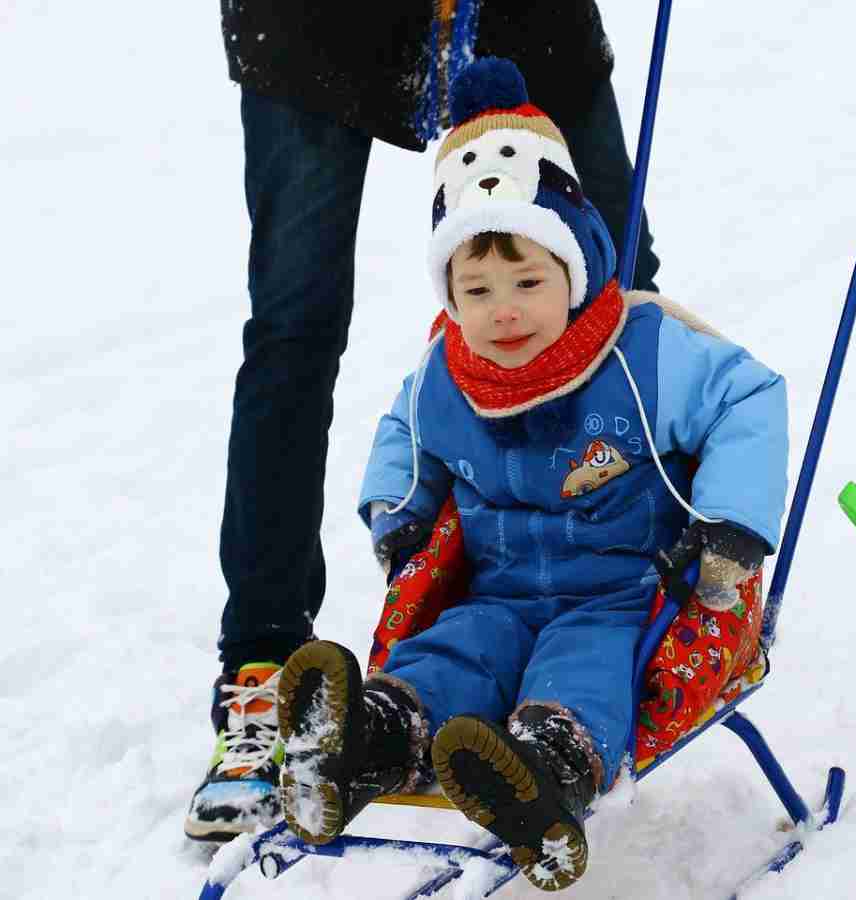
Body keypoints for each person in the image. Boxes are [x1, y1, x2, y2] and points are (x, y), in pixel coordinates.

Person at [274, 58, 788, 891]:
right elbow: (404, 431)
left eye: (527, 280)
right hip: (498, 593)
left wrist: (729, 523)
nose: (503, 308)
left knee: (584, 670)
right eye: (475, 288)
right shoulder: (449, 371)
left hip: (623, 594)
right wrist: (399, 510)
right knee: (451, 655)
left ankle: (544, 771)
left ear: (577, 266)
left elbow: (750, 397)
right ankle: (364, 740)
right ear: (450, 292)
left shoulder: (644, 353)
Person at [185, 2, 662, 842]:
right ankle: (262, 665)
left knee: (613, 285)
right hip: (310, 27)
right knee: (294, 326)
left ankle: (638, 603)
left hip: (522, 14)